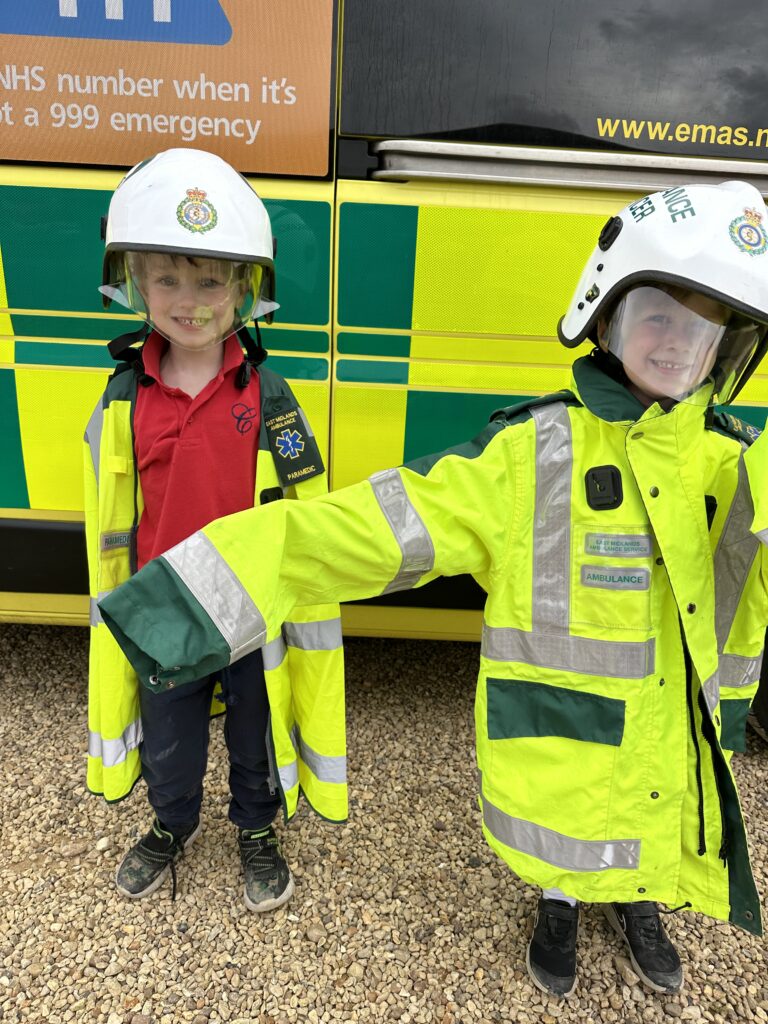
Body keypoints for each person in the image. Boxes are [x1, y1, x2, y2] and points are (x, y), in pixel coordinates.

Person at [98, 180, 768, 995]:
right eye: (657, 314)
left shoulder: (740, 463)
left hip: (667, 746)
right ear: (606, 314)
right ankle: (556, 906)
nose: (674, 344)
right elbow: (362, 529)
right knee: (568, 836)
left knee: (644, 836)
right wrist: (185, 598)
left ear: (728, 351)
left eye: (703, 329)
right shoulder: (532, 456)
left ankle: (641, 908)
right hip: (570, 742)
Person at [84, 147, 346, 909]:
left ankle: (257, 828)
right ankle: (171, 822)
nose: (188, 299)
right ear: (134, 282)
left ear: (243, 290)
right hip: (164, 604)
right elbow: (109, 519)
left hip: (249, 607)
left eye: (209, 280)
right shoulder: (124, 398)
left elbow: (308, 507)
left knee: (254, 733)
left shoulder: (271, 394)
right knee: (171, 738)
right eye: (167, 277)